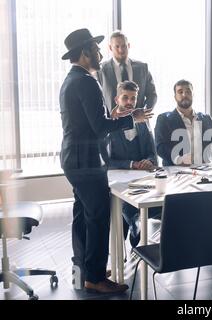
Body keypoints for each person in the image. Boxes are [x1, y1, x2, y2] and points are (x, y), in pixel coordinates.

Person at [59, 28, 152, 293]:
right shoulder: (87, 81)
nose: (100, 54)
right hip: (87, 162)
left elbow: (89, 123)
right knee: (98, 217)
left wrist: (111, 118)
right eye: (97, 49)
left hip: (73, 158)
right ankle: (95, 277)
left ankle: (86, 268)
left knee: (82, 215)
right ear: (85, 52)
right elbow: (99, 128)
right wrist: (132, 117)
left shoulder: (71, 79)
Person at [155, 79, 212, 215]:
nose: (184, 95)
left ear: (193, 95)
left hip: (205, 170)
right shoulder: (164, 119)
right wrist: (180, 158)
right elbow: (160, 147)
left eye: (188, 91)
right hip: (178, 172)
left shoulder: (205, 118)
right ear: (175, 96)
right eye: (180, 92)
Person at [103, 80, 160, 248]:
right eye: (125, 98)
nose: (129, 102)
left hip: (143, 178)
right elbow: (107, 161)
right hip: (118, 180)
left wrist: (149, 161)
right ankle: (135, 224)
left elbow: (152, 152)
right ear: (116, 100)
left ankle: (136, 224)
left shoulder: (142, 122)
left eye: (133, 98)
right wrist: (131, 164)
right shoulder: (107, 124)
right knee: (125, 204)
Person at [97, 30, 157, 114]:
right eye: (117, 46)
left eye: (124, 46)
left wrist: (144, 111)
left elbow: (152, 94)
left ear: (128, 45)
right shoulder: (101, 70)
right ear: (110, 48)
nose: (121, 50)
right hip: (113, 124)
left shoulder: (142, 68)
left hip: (139, 123)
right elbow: (97, 99)